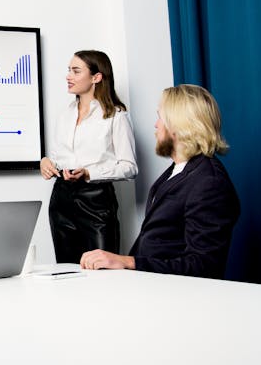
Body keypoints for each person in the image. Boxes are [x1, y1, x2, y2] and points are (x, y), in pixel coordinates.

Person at [80, 84, 240, 278]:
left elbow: (203, 266)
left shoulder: (209, 183)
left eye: (160, 117)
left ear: (179, 126)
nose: (156, 125)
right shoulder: (176, 170)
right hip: (151, 287)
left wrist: (128, 262)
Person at [40, 50, 137, 263]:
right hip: (61, 199)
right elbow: (60, 157)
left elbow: (130, 167)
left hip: (96, 201)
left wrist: (89, 173)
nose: (68, 76)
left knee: (102, 273)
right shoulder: (65, 115)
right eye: (69, 70)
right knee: (66, 273)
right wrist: (47, 162)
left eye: (76, 71)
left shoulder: (116, 116)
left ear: (96, 77)